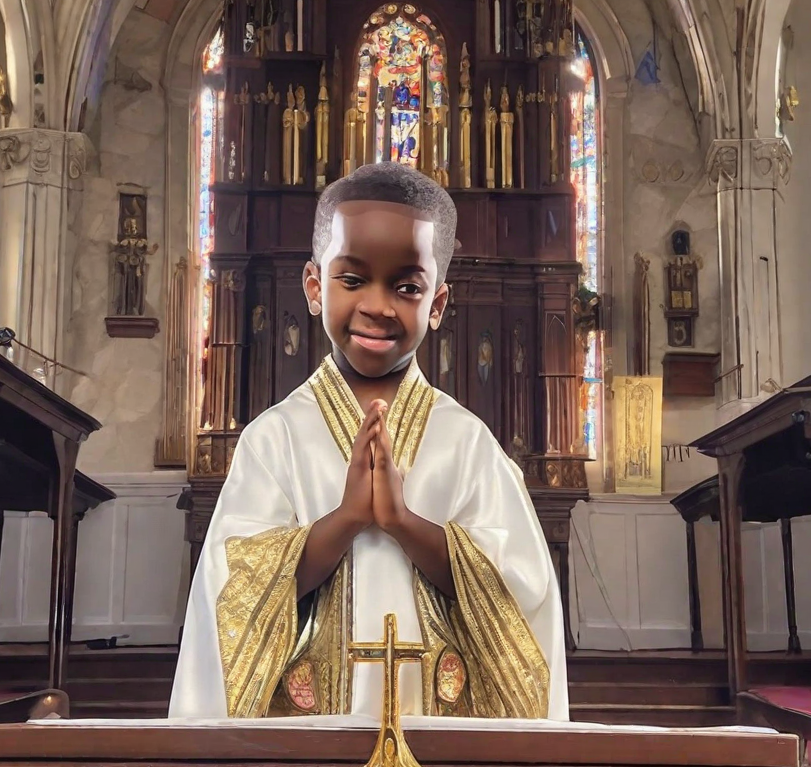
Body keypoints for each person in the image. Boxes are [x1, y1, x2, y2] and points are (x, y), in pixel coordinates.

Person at [170, 162, 568, 721]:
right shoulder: (275, 439)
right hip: (307, 740)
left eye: (407, 287)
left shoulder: (468, 444)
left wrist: (406, 524)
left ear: (437, 304)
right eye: (353, 280)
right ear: (314, 286)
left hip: (436, 731)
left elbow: (522, 592)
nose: (378, 306)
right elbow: (230, 597)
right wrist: (347, 520)